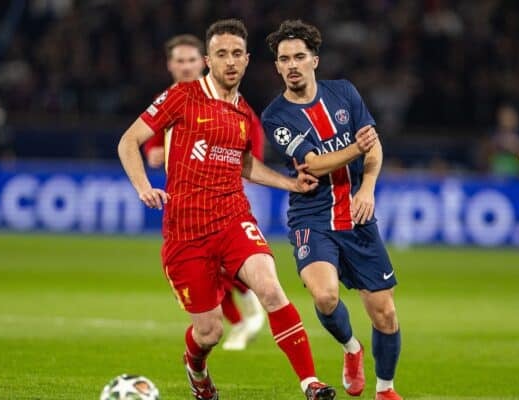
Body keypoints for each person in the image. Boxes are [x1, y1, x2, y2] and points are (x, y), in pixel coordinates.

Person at [118, 19, 336, 400]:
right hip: (185, 232)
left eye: (237, 54)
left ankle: (310, 383)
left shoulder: (244, 114)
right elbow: (128, 141)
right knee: (210, 332)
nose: (230, 61)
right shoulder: (182, 96)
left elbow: (245, 163)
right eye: (222, 54)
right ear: (208, 60)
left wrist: (290, 183)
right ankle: (196, 369)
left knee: (270, 288)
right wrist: (142, 187)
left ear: (248, 60)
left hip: (233, 219)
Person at [262, 20, 403, 400]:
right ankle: (351, 349)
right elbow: (313, 164)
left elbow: (374, 146)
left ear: (315, 60)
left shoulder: (343, 93)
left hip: (356, 215)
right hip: (312, 216)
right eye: (284, 59)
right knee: (324, 296)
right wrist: (357, 148)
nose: (292, 64)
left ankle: (385, 389)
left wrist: (368, 188)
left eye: (299, 57)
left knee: (385, 315)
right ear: (277, 67)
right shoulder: (276, 116)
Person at [142, 33, 266, 351]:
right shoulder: (170, 99)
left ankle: (246, 310)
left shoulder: (226, 99)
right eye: (179, 61)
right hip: (184, 200)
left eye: (191, 60)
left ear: (203, 62)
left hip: (223, 197)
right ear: (170, 65)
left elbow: (250, 140)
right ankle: (243, 312)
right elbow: (152, 149)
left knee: (223, 262)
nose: (185, 66)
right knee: (206, 271)